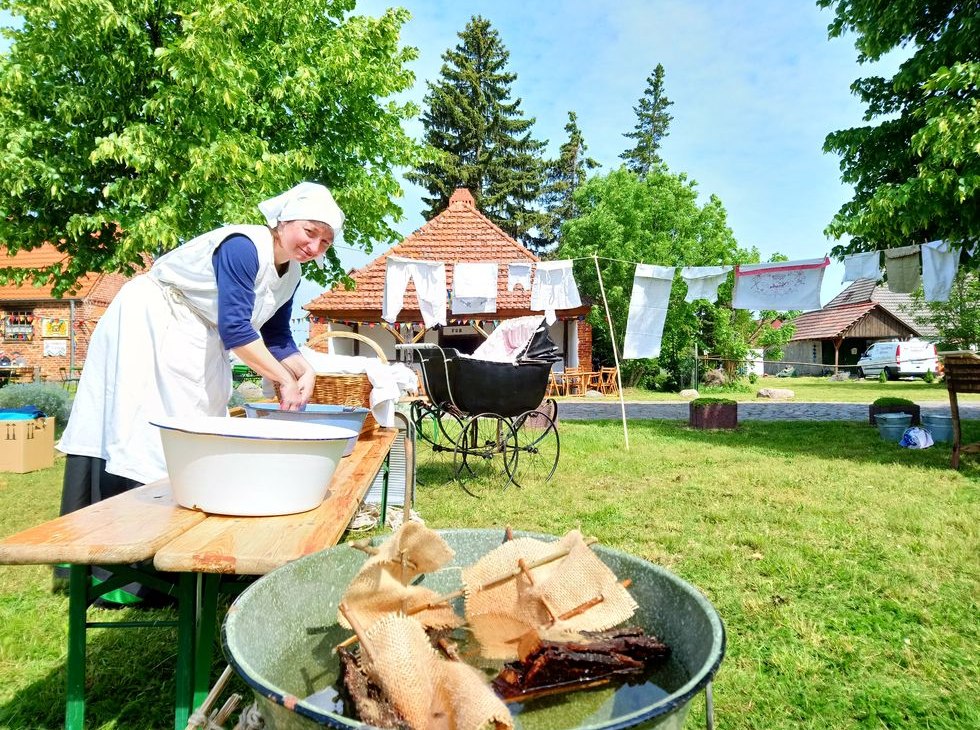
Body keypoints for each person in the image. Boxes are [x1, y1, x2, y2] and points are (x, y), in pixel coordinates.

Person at [55, 183, 343, 602]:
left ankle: (185, 561)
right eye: (309, 232)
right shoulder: (244, 247)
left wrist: (305, 370)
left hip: (199, 336)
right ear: (282, 223)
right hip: (154, 320)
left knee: (199, 430)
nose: (315, 245)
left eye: (325, 241)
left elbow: (277, 335)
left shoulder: (292, 274)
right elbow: (238, 330)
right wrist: (281, 379)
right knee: (142, 433)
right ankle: (121, 577)